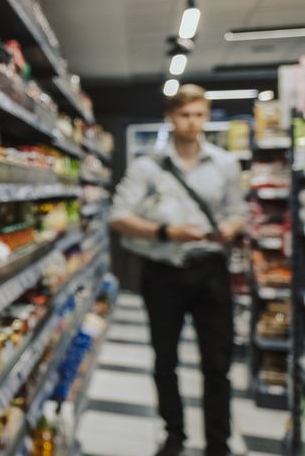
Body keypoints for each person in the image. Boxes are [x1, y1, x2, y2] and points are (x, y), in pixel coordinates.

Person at [110, 84, 246, 456]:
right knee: (165, 358)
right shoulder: (147, 168)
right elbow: (119, 217)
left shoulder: (225, 164)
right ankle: (174, 435)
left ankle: (218, 442)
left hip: (211, 271)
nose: (192, 122)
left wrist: (229, 229)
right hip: (164, 271)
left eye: (199, 114)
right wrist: (167, 232)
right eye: (185, 114)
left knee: (217, 363)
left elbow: (237, 211)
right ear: (171, 117)